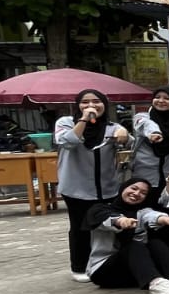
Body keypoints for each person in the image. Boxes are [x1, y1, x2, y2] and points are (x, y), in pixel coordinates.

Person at [54, 89, 130, 281]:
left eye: (96, 101)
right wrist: (84, 120)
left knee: (105, 226)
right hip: (75, 187)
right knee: (80, 228)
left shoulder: (112, 127)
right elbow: (68, 142)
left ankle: (103, 263)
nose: (91, 106)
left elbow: (128, 143)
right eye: (85, 102)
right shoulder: (65, 123)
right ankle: (78, 267)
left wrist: (125, 133)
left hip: (106, 187)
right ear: (78, 106)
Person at [83, 178, 169, 294]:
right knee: (135, 245)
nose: (137, 194)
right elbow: (106, 219)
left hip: (133, 270)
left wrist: (165, 219)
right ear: (123, 188)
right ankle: (156, 283)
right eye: (134, 188)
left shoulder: (141, 211)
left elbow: (151, 216)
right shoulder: (100, 209)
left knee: (155, 243)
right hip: (105, 272)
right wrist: (122, 221)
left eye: (143, 193)